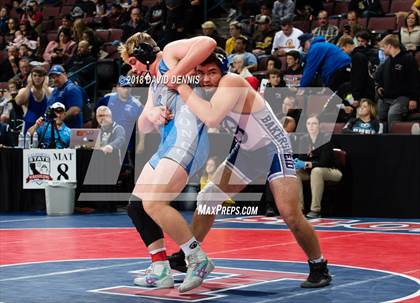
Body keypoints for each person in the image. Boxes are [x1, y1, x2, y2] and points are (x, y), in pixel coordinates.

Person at [170, 49, 332, 288]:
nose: (206, 78)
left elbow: (212, 118)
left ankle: (319, 266)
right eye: (201, 73)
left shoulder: (232, 82)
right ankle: (189, 256)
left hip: (273, 147)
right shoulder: (206, 91)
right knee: (208, 197)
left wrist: (180, 86)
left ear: (222, 72)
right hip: (247, 150)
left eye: (212, 72)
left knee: (289, 213)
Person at [120, 33, 216, 292]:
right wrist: (152, 113)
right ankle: (161, 269)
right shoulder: (153, 84)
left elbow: (208, 43)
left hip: (187, 141)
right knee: (137, 205)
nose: (133, 69)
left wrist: (177, 73)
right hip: (167, 145)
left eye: (132, 62)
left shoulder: (171, 54)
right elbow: (142, 125)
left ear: (142, 53)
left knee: (154, 203)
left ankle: (196, 259)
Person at [294, 115, 342, 218]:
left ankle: (315, 210)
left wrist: (307, 163)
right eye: (308, 124)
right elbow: (302, 158)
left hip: (332, 170)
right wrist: (298, 163)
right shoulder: (303, 139)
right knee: (295, 172)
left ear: (319, 126)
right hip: (312, 171)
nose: (311, 126)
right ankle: (299, 208)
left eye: (314, 123)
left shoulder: (326, 139)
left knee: (316, 171)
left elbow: (324, 162)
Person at [374, 35, 420, 132]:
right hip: (386, 97)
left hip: (403, 97)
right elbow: (378, 78)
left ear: (389, 46)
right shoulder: (387, 61)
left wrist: (413, 99)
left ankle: (393, 141)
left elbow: (414, 80)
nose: (382, 50)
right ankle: (380, 139)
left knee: (393, 114)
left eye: (384, 47)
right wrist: (379, 87)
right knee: (380, 114)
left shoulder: (408, 59)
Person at [15, 66, 51, 132]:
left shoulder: (50, 91)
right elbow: (18, 102)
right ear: (31, 77)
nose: (37, 78)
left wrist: (45, 86)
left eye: (40, 75)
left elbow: (54, 104)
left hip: (46, 128)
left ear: (45, 78)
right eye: (34, 75)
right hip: (28, 127)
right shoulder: (24, 91)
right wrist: (29, 85)